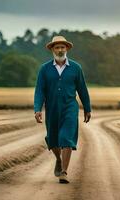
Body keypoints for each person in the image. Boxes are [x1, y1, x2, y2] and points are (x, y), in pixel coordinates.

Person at [34, 35, 92, 184]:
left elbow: (82, 89)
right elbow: (39, 90)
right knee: (53, 140)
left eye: (63, 47)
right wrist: (37, 109)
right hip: (52, 108)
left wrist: (87, 108)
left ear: (67, 49)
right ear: (52, 49)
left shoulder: (76, 68)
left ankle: (64, 172)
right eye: (57, 47)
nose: (60, 50)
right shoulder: (45, 69)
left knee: (66, 138)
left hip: (70, 108)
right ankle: (58, 160)